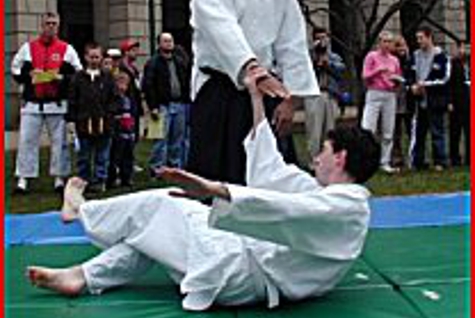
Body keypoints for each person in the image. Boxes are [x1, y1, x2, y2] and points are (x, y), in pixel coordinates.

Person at [27, 66, 380, 311]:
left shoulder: (347, 208)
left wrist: (212, 188)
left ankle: (83, 210)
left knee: (164, 203)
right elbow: (269, 168)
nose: (316, 158)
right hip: (240, 261)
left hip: (239, 275)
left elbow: (282, 207)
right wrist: (256, 99)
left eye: (324, 151)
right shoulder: (323, 193)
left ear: (341, 158)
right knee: (153, 231)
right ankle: (82, 276)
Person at [188, 0, 319, 185]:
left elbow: (293, 45)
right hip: (220, 91)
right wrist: (251, 68)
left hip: (267, 91)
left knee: (270, 179)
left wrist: (290, 99)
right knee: (215, 180)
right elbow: (223, 31)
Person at [11, 12, 82, 193]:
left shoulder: (67, 49)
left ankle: (59, 177)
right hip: (32, 103)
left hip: (56, 103)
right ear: (41, 26)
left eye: (54, 24)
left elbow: (78, 73)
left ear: (58, 26)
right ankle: (23, 178)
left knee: (59, 142)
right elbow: (15, 68)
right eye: (47, 23)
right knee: (27, 140)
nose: (51, 27)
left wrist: (62, 78)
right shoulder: (28, 48)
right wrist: (28, 76)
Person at [66, 43, 120, 193]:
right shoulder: (78, 78)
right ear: (85, 57)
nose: (94, 60)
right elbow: (72, 99)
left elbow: (115, 99)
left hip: (104, 123)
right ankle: (83, 181)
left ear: (101, 58)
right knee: (84, 155)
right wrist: (71, 119)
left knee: (102, 155)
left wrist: (109, 113)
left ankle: (99, 180)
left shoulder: (107, 78)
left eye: (97, 57)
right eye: (91, 57)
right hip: (84, 122)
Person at [142, 32, 191, 172]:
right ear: (159, 44)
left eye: (170, 41)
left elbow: (186, 81)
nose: (168, 43)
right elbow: (148, 85)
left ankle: (174, 166)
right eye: (165, 41)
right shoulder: (153, 63)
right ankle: (156, 168)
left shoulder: (180, 61)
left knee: (177, 139)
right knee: (160, 139)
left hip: (180, 104)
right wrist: (153, 106)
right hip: (162, 106)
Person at [407, 26, 450, 171]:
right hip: (419, 101)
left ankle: (440, 161)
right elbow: (409, 74)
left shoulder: (441, 55)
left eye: (421, 38)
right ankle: (418, 162)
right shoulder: (415, 55)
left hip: (435, 99)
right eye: (417, 38)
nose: (419, 41)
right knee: (419, 132)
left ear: (429, 37)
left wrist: (425, 85)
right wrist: (412, 86)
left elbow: (444, 78)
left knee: (437, 131)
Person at [361, 31, 402, 173]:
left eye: (390, 42)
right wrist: (378, 70)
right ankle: (365, 161)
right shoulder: (371, 56)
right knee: (368, 128)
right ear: (379, 43)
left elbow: (398, 76)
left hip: (390, 94)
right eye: (384, 41)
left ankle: (384, 162)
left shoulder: (394, 60)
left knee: (388, 130)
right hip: (374, 92)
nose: (387, 44)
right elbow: (365, 76)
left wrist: (397, 81)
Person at [304, 27, 346, 158]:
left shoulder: (334, 57)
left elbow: (341, 74)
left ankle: (328, 159)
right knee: (314, 131)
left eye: (324, 38)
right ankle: (314, 160)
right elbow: (304, 72)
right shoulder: (307, 56)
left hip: (330, 94)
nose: (322, 41)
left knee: (330, 130)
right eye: (318, 38)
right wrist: (315, 58)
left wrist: (328, 66)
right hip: (314, 94)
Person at [107, 72, 137, 188]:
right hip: (117, 131)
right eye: (120, 83)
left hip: (129, 131)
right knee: (115, 156)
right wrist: (118, 118)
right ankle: (112, 178)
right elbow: (111, 112)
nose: (123, 87)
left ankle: (127, 177)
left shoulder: (130, 98)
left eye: (125, 84)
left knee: (128, 156)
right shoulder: (113, 99)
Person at [390, 35, 413, 168]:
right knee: (395, 132)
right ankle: (397, 158)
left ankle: (412, 156)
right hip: (395, 100)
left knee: (411, 130)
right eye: (398, 45)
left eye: (403, 45)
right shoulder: (392, 61)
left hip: (408, 100)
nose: (401, 48)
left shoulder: (410, 61)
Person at [448, 41, 470, 166]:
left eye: (468, 48)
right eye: (463, 48)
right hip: (457, 102)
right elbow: (450, 84)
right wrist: (450, 101)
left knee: (470, 132)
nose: (466, 51)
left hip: (469, 102)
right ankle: (455, 158)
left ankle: (469, 159)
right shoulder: (453, 63)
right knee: (455, 131)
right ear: (458, 49)